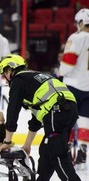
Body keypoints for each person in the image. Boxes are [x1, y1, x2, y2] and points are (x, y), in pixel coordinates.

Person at [0, 54, 88, 181]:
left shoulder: (18, 81)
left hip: (56, 112)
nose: (5, 77)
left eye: (4, 72)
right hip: (67, 110)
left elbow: (12, 113)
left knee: (59, 155)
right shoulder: (35, 77)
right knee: (46, 150)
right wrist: (27, 145)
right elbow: (36, 118)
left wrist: (6, 142)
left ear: (10, 69)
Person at [59, 8, 89, 166]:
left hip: (73, 85)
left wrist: (60, 73)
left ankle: (68, 150)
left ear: (81, 22)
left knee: (68, 119)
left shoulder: (77, 37)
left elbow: (68, 61)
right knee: (85, 121)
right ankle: (83, 149)